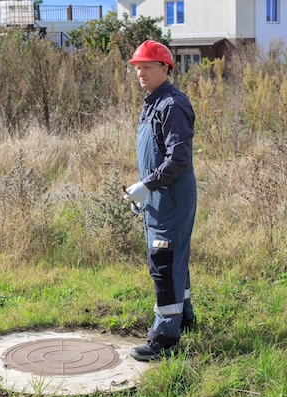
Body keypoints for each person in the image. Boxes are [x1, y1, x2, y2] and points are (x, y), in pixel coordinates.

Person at [123, 40, 197, 361]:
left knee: (164, 263)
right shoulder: (152, 102)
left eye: (147, 67)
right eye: (137, 67)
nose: (140, 72)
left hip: (171, 200)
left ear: (165, 68)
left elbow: (177, 157)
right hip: (158, 199)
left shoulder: (172, 104)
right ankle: (184, 318)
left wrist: (146, 185)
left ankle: (165, 337)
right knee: (174, 258)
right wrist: (144, 193)